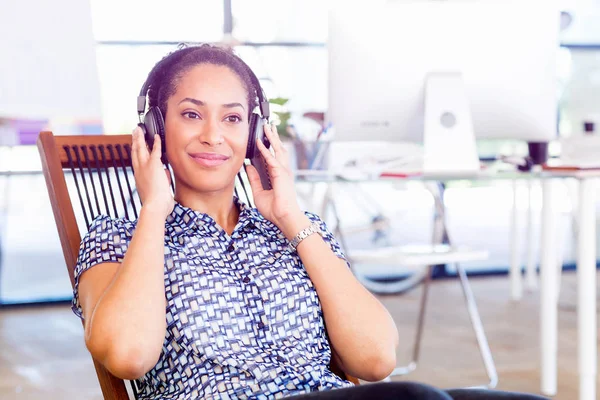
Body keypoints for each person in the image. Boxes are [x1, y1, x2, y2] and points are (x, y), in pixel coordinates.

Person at [72, 44, 547, 400]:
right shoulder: (118, 238)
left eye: (234, 119)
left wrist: (291, 216)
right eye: (192, 114)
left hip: (326, 395)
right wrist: (154, 210)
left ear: (256, 134)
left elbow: (376, 358)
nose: (214, 135)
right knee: (416, 399)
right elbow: (128, 355)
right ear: (155, 126)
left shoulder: (294, 230)